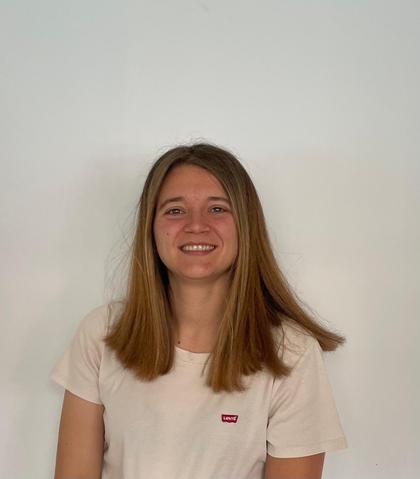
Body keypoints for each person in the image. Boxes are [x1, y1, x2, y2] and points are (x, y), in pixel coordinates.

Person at [50, 142, 348, 479]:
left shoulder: (291, 354)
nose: (196, 225)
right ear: (151, 226)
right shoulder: (103, 334)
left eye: (218, 209)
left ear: (246, 225)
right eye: (175, 210)